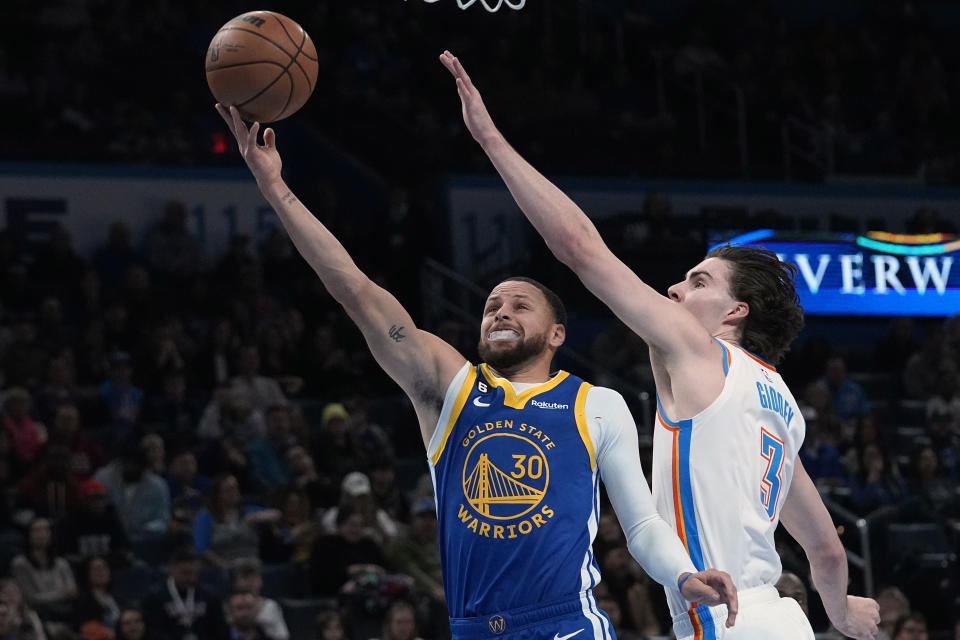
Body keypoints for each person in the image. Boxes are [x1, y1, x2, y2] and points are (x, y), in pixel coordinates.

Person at [217, 102, 736, 639]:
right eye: (491, 306)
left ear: (558, 333)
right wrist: (275, 188)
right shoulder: (450, 387)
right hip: (470, 628)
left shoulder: (597, 404)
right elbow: (355, 289)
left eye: (518, 305)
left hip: (566, 625)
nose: (501, 312)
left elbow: (643, 523)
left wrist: (682, 575)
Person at [440, 51, 879, 640]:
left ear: (735, 312)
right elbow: (825, 549)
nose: (674, 287)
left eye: (698, 281)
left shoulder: (700, 351)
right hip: (780, 615)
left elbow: (579, 249)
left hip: (725, 620)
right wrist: (845, 613)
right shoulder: (780, 403)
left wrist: (491, 140)